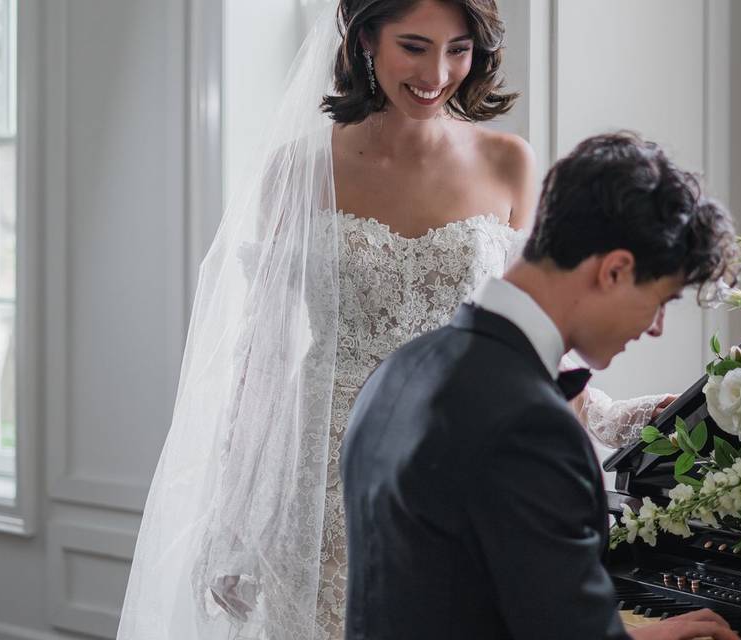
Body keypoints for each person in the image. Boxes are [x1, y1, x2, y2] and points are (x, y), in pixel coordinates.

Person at [117, 2, 671, 639]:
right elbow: (262, 353)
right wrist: (239, 514)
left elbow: (534, 334)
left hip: (460, 473)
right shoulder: (300, 169)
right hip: (324, 484)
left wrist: (620, 417)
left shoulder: (508, 163)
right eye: (413, 46)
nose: (437, 72)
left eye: (458, 49)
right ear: (364, 41)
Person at [342, 131, 741, 640]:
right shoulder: (529, 425)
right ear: (615, 270)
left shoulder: (399, 369)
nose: (656, 326)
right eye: (660, 300)